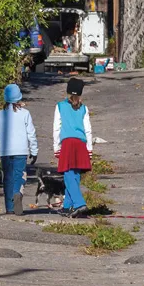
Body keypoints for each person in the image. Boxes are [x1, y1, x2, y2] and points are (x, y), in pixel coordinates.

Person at [0, 82, 38, 215]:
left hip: (5, 152)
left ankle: (9, 207)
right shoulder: (25, 113)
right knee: (19, 176)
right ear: (19, 98)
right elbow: (31, 133)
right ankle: (17, 192)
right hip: (21, 151)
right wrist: (34, 151)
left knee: (7, 178)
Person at [53, 76, 92, 216]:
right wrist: (90, 149)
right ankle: (67, 206)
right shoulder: (84, 109)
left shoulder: (60, 106)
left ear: (68, 92)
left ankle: (79, 203)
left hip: (68, 143)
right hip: (81, 144)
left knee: (68, 175)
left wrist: (56, 147)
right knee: (74, 175)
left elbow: (57, 128)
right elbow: (88, 129)